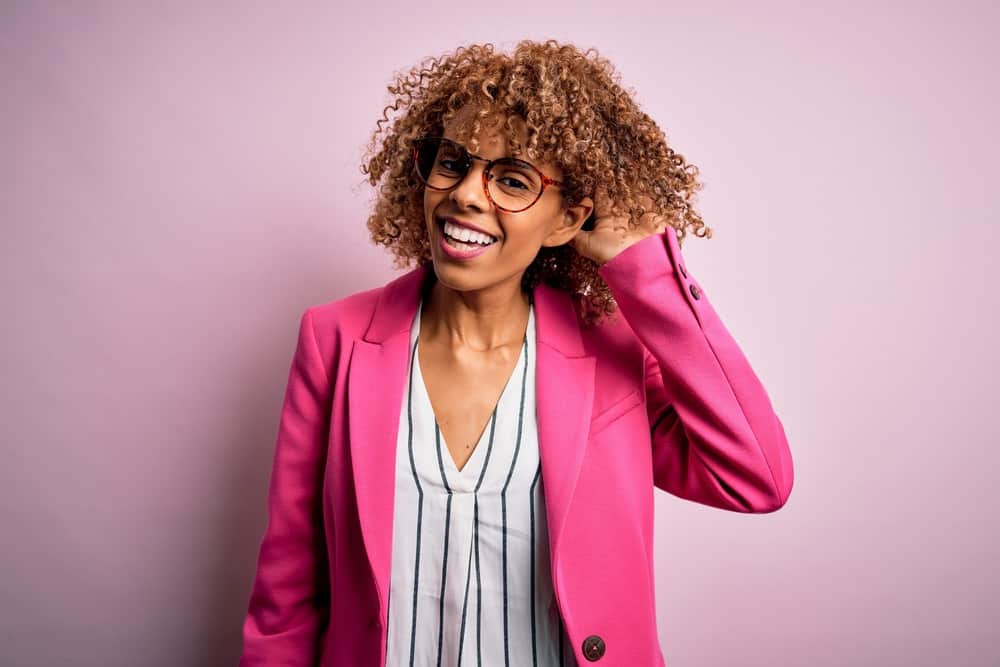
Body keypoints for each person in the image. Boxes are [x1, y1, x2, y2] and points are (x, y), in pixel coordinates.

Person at [238, 39, 794, 667]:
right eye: (453, 162)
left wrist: (649, 274)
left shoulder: (615, 363)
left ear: (567, 221)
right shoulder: (334, 340)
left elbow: (757, 480)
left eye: (511, 180)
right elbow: (288, 591)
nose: (468, 195)